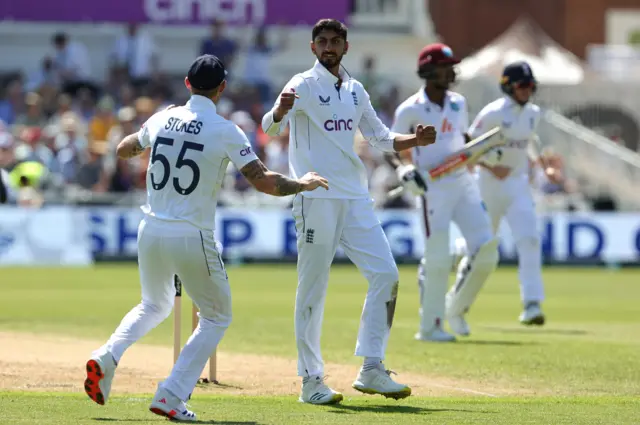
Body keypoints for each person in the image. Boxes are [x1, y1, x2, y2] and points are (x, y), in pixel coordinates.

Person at [84, 54, 329, 422]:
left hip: (150, 229)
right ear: (222, 88)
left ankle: (108, 355)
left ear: (186, 84)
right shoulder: (226, 129)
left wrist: (149, 138)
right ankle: (170, 393)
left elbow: (123, 149)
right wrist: (302, 184)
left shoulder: (163, 116)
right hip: (192, 233)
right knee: (216, 316)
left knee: (154, 304)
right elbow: (263, 181)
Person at [261, 19, 437, 405]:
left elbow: (381, 138)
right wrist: (278, 111)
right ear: (313, 48)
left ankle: (371, 368)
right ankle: (310, 381)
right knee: (313, 289)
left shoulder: (356, 90)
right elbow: (269, 129)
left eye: (335, 42)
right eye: (322, 41)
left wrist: (415, 140)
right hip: (315, 196)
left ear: (345, 46)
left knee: (386, 276)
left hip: (355, 199)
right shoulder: (302, 85)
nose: (328, 47)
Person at [386, 43, 498, 342]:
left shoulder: (459, 103)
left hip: (462, 181)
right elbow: (388, 145)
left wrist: (485, 154)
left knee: (486, 250)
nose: (452, 72)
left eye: (452, 67)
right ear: (428, 70)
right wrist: (402, 169)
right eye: (445, 67)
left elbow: (464, 139)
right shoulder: (410, 108)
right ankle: (430, 326)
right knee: (437, 258)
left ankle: (454, 309)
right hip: (432, 187)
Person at [451, 61, 563, 326]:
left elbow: (530, 141)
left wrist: (544, 166)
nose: (527, 90)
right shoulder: (492, 113)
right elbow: (469, 147)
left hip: (518, 184)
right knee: (479, 248)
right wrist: (490, 164)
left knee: (529, 239)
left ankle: (532, 304)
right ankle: (458, 299)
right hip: (488, 184)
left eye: (530, 86)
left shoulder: (533, 113)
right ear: (508, 86)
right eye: (523, 86)